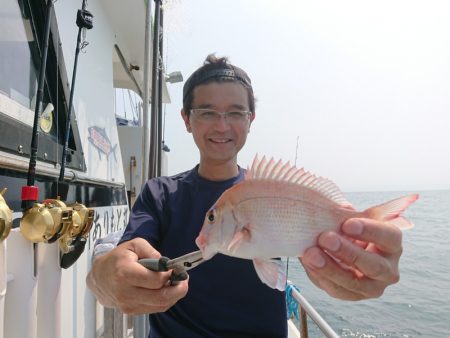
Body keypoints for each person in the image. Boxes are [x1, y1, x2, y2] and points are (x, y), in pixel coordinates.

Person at [87, 55, 404, 337]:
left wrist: (343, 274)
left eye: (236, 113)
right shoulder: (160, 193)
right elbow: (124, 251)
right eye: (208, 112)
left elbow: (302, 253)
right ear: (187, 119)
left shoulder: (269, 189)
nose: (222, 125)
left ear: (251, 119)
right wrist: (104, 276)